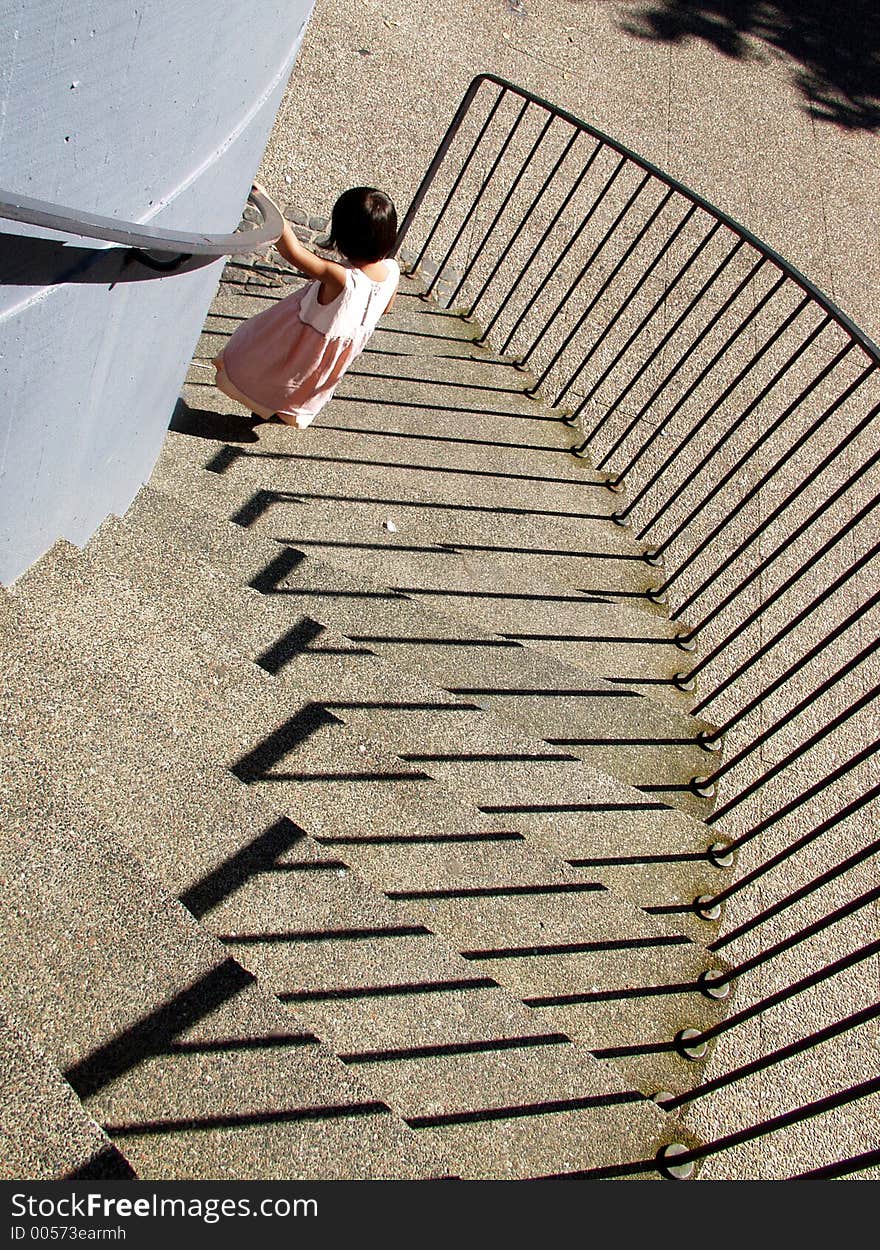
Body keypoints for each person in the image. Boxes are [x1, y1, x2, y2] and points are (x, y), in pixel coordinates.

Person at [213, 183, 399, 428]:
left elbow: (292, 252)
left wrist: (265, 200)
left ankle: (262, 406)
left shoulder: (341, 278)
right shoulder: (392, 271)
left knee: (270, 372)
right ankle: (279, 413)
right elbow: (385, 307)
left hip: (298, 344)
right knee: (297, 387)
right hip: (324, 360)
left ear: (341, 236)